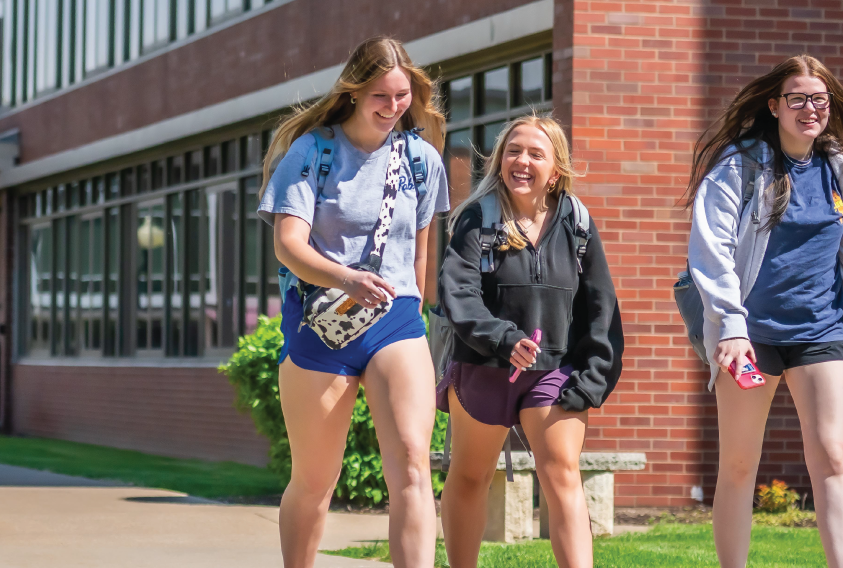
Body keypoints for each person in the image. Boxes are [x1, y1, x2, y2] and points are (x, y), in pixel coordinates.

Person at [686, 55, 843, 568]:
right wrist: (730, 327)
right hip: (750, 337)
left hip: (821, 330)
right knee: (737, 465)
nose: (809, 108)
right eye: (797, 98)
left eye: (819, 99)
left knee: (832, 456)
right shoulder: (740, 164)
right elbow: (712, 250)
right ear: (774, 106)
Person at [257, 36, 448, 568]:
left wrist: (416, 316)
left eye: (402, 96)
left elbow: (419, 260)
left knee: (412, 462)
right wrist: (346, 280)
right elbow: (288, 245)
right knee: (316, 480)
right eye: (381, 97)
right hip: (322, 324)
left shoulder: (420, 159)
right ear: (354, 91)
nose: (392, 108)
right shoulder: (313, 152)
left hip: (397, 321)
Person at [436, 115, 624, 568]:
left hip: (555, 374)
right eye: (513, 151)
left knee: (562, 473)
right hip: (484, 368)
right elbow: (457, 292)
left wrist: (593, 377)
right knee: (469, 477)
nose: (521, 161)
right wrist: (503, 339)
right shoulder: (477, 220)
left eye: (535, 154)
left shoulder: (576, 223)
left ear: (555, 169)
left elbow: (602, 307)